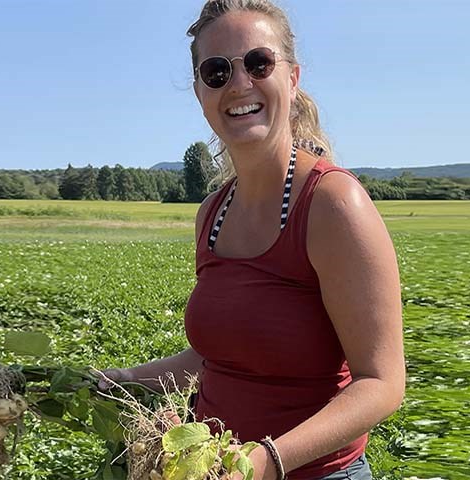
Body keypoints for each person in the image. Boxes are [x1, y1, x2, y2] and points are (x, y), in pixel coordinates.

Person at [98, 1, 405, 478]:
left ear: (293, 77)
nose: (239, 83)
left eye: (258, 63)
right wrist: (121, 381)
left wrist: (264, 462)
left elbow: (381, 383)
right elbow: (213, 359)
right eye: (217, 71)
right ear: (200, 92)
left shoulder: (332, 203)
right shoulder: (213, 213)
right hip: (216, 469)